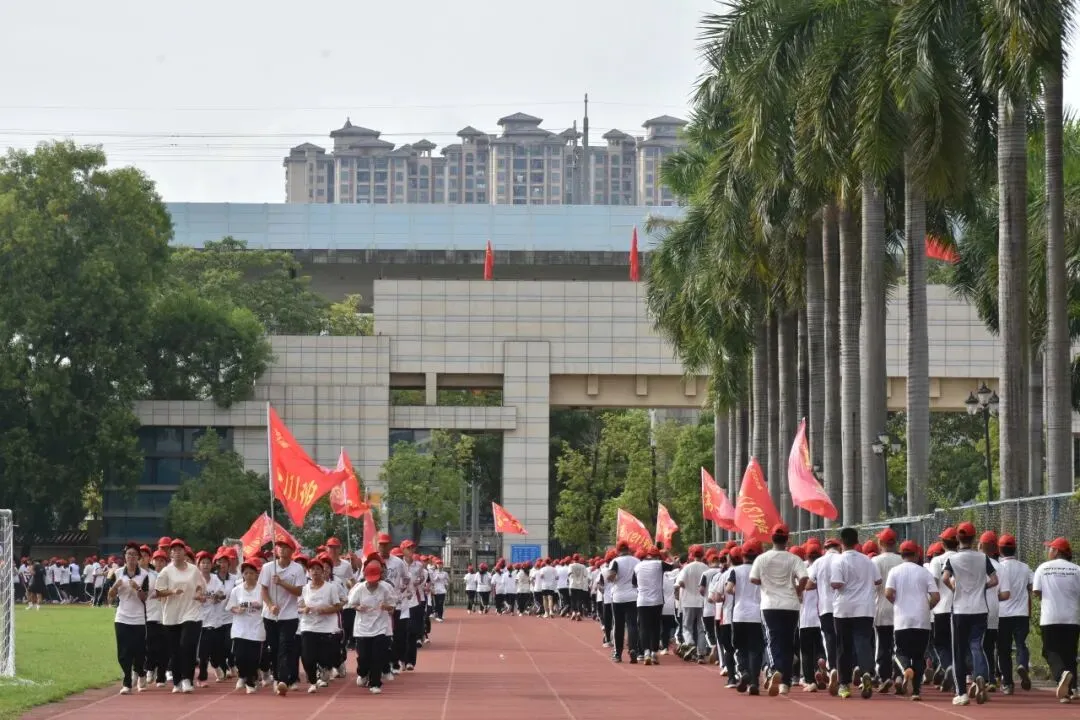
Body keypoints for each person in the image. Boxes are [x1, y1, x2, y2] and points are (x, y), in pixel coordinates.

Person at [941, 521, 996, 706]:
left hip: (959, 609)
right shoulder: (983, 558)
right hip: (980, 608)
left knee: (958, 650)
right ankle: (980, 676)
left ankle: (962, 693)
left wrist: (954, 588)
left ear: (957, 538)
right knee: (976, 645)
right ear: (974, 538)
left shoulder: (953, 559)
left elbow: (945, 578)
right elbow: (994, 580)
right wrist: (982, 587)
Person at [749, 523, 808, 696]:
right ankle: (785, 683)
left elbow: (753, 579)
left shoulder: (762, 558)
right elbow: (804, 577)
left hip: (770, 604)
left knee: (773, 639)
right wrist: (798, 590)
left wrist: (766, 583)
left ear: (771, 538)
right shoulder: (794, 559)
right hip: (790, 604)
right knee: (788, 642)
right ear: (787, 538)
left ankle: (776, 669)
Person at [884, 540, 939, 702]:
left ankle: (906, 669)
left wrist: (897, 603)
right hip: (922, 620)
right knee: (919, 655)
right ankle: (916, 691)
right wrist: (926, 607)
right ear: (916, 555)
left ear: (901, 555)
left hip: (902, 619)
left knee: (900, 652)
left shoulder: (895, 571)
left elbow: (888, 593)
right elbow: (936, 596)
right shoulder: (924, 572)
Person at [830, 527, 881, 700]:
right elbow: (878, 580)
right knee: (863, 643)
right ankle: (866, 672)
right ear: (857, 541)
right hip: (865, 608)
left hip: (844, 608)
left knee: (843, 646)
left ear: (841, 542)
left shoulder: (838, 561)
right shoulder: (868, 560)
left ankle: (844, 684)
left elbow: (836, 583)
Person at [1033, 537, 1080, 703]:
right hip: (1072, 617)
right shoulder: (1077, 570)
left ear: (1057, 551)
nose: (1048, 551)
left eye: (1050, 548)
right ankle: (1072, 689)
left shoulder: (1043, 568)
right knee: (1070, 653)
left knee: (1050, 650)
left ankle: (1061, 675)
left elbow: (1036, 591)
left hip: (1051, 617)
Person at [155, 539, 205, 694]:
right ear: (170, 554)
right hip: (171, 615)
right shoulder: (166, 571)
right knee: (175, 650)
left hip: (191, 613)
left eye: (180, 550)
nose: (177, 552)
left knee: (187, 645)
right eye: (174, 550)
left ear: (185, 552)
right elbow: (158, 592)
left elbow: (200, 586)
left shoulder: (193, 570)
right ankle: (177, 681)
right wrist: (171, 591)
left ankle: (187, 679)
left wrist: (198, 594)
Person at [259, 536, 307, 695]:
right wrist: (271, 605)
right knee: (273, 648)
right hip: (271, 615)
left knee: (285, 648)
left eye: (286, 547)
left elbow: (299, 591)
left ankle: (283, 680)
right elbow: (264, 590)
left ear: (292, 551)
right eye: (280, 546)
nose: (282, 549)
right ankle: (278, 677)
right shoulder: (267, 568)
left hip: (290, 616)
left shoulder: (297, 569)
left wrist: (282, 583)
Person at [349, 558, 398, 694]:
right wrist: (358, 607)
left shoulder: (385, 588)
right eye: (370, 578)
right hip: (362, 628)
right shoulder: (358, 589)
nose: (372, 582)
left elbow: (393, 608)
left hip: (380, 627)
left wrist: (386, 606)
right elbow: (351, 604)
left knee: (377, 656)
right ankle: (363, 673)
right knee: (364, 657)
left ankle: (375, 683)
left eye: (375, 578)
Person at [299, 556, 345, 693]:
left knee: (325, 656)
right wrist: (304, 609)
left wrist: (325, 610)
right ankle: (313, 681)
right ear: (308, 572)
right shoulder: (304, 589)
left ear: (323, 572)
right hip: (308, 626)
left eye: (318, 569)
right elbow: (299, 605)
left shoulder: (330, 588)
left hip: (326, 627)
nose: (315, 572)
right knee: (307, 656)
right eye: (312, 569)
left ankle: (325, 669)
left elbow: (338, 606)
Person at [995, 533, 1033, 694]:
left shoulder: (996, 567)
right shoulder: (1025, 567)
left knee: (1003, 649)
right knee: (1021, 644)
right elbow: (1031, 588)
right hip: (1021, 613)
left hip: (1002, 614)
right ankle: (1022, 664)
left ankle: (1008, 684)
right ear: (1015, 549)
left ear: (999, 550)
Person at [109, 542, 149, 694]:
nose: (131, 557)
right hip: (122, 617)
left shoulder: (144, 575)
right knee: (123, 652)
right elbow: (110, 597)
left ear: (138, 557)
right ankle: (127, 682)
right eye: (128, 554)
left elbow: (145, 597)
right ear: (124, 557)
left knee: (139, 651)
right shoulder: (118, 573)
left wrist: (137, 588)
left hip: (138, 618)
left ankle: (141, 672)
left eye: (134, 555)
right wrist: (115, 587)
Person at [726, 542, 764, 694]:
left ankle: (744, 671)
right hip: (756, 614)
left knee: (740, 648)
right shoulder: (760, 571)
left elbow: (728, 589)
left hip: (739, 613)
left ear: (743, 555)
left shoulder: (735, 570)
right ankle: (754, 681)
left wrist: (739, 591)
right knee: (755, 649)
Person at [226, 558, 266, 694]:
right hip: (240, 628)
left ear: (256, 574)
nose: (249, 575)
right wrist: (237, 610)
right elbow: (230, 607)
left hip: (256, 628)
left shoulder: (262, 589)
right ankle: (242, 675)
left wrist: (260, 605)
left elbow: (268, 605)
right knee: (240, 656)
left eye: (252, 573)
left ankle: (250, 681)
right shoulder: (237, 590)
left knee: (253, 658)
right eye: (246, 573)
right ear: (242, 575)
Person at [871, 529, 903, 690]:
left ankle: (883, 676)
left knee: (882, 645)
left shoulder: (875, 561)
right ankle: (898, 675)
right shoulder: (902, 561)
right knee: (898, 645)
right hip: (900, 609)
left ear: (881, 543)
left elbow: (872, 585)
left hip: (882, 607)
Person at [633, 547, 672, 665]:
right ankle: (654, 652)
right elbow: (675, 565)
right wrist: (669, 553)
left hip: (642, 601)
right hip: (657, 601)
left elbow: (634, 583)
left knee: (644, 627)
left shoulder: (638, 566)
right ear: (658, 556)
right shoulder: (660, 564)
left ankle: (646, 652)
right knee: (655, 627)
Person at [606, 541, 641, 663]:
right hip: (633, 596)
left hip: (618, 597)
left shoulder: (615, 561)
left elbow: (610, 576)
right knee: (632, 624)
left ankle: (617, 653)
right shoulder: (637, 561)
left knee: (619, 625)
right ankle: (633, 649)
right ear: (628, 549)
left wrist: (614, 579)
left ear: (618, 550)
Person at [676, 545, 708, 662]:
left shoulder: (687, 568)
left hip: (688, 601)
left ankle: (690, 644)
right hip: (701, 601)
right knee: (701, 628)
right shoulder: (706, 568)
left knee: (686, 627)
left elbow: (680, 582)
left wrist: (687, 587)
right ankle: (701, 653)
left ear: (692, 555)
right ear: (703, 554)